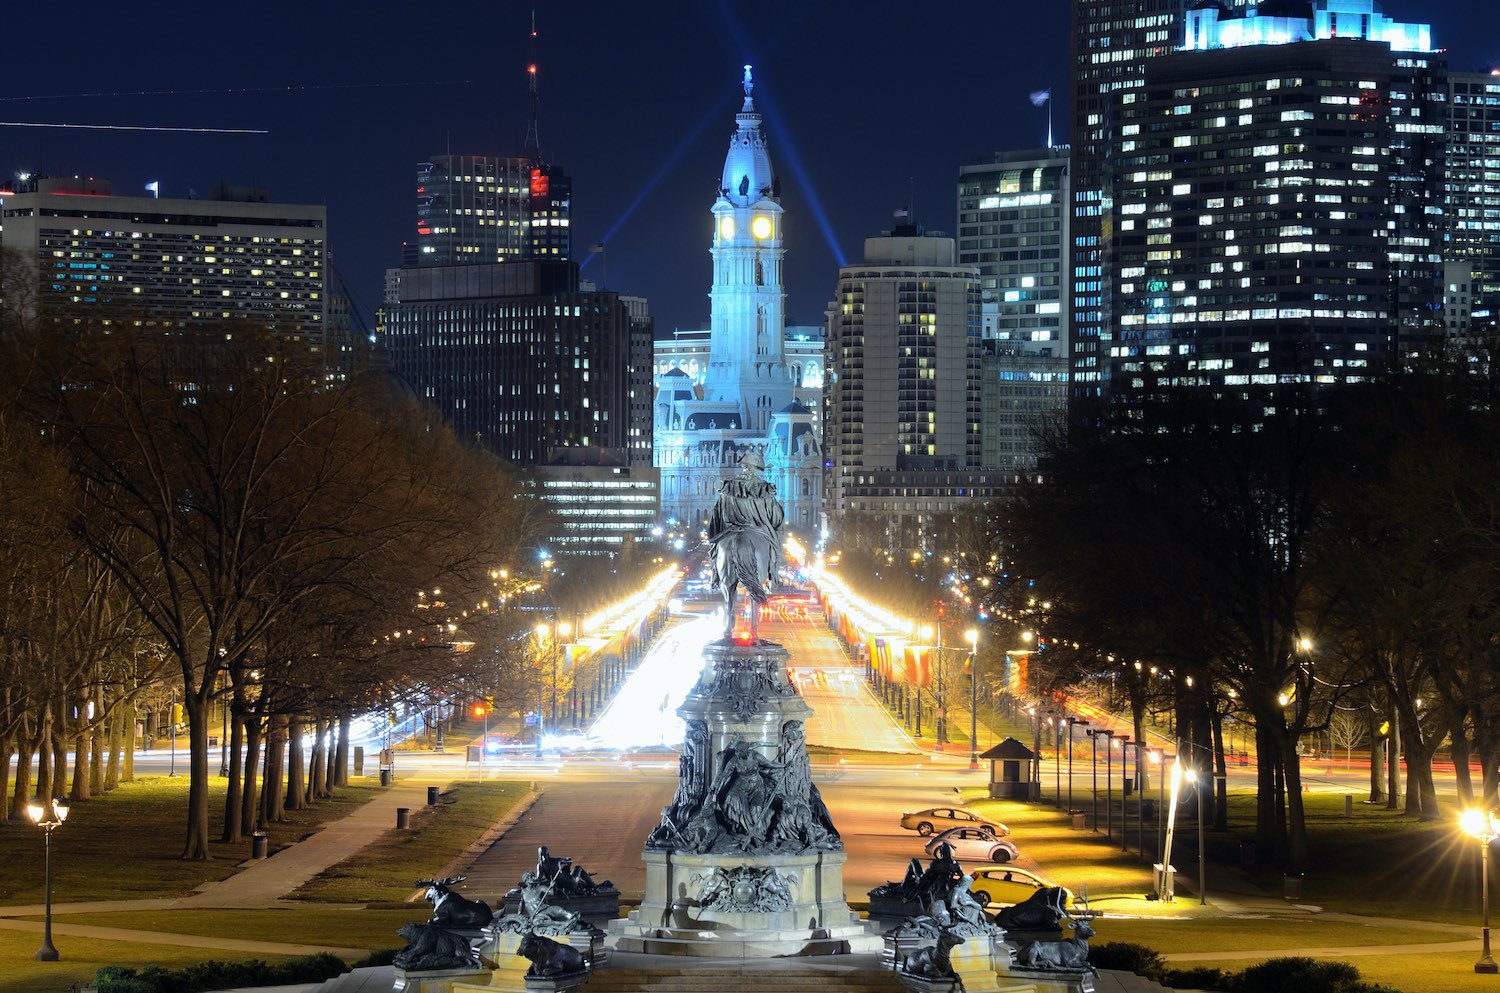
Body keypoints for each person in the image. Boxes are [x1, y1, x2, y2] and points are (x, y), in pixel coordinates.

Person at [707, 451, 785, 640]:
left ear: (743, 466)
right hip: (757, 531)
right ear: (756, 468)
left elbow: (716, 516)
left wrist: (716, 534)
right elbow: (775, 517)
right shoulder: (764, 489)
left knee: (716, 549)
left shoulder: (728, 487)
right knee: (775, 549)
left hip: (731, 530)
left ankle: (716, 577)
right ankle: (773, 577)